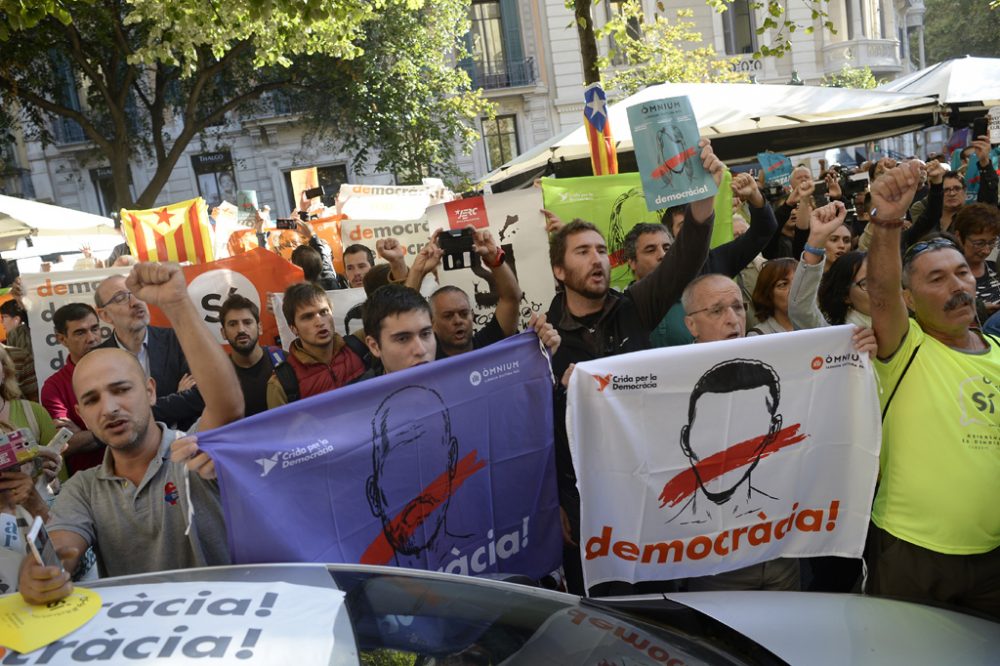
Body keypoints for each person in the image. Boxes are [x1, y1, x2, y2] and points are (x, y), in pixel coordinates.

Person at [548, 137, 721, 595]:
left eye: (602, 250)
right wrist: (556, 502)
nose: (597, 259)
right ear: (559, 272)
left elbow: (683, 261)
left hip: (654, 483)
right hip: (586, 499)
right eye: (582, 251)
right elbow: (540, 430)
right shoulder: (542, 341)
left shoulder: (635, 307)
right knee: (607, 607)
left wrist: (703, 206)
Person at [18, 262, 244, 604]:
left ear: (150, 391)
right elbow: (63, 546)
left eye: (121, 389)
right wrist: (42, 570)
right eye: (92, 400)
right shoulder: (83, 489)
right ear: (81, 415)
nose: (108, 407)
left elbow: (226, 405)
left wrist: (178, 303)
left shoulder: (193, 451)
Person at [866, 161, 1000, 620]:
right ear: (909, 298)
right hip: (912, 552)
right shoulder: (906, 348)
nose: (958, 286)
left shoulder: (999, 350)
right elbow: (881, 290)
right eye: (937, 279)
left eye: (962, 273)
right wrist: (886, 222)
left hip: (991, 556)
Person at [94, 274, 203, 429]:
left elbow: (199, 398)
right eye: (120, 298)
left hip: (185, 441)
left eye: (138, 293)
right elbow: (107, 417)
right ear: (105, 315)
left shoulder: (176, 339)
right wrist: (176, 399)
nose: (135, 302)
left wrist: (134, 411)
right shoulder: (98, 359)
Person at [419, 228, 522, 359]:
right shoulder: (424, 359)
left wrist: (494, 258)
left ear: (472, 315)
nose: (458, 321)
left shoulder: (487, 344)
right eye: (448, 316)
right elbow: (401, 319)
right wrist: (419, 270)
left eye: (463, 313)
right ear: (432, 323)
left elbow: (511, 299)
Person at [266, 282, 368, 407]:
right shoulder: (281, 385)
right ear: (293, 328)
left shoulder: (361, 343)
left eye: (324, 312)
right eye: (307, 317)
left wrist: (397, 267)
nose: (320, 322)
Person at [40, 303, 104, 472]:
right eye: (80, 332)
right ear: (61, 339)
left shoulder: (125, 365)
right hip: (91, 481)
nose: (91, 338)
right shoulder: (53, 387)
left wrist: (86, 433)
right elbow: (66, 444)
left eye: (95, 329)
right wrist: (120, 428)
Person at [789, 202, 871, 330]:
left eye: (846, 240)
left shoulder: (904, 322)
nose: (842, 246)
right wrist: (816, 239)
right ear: (846, 296)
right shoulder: (837, 333)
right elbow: (801, 310)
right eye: (866, 283)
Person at [220, 294, 283, 418]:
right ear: (223, 333)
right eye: (233, 324)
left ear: (259, 327)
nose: (241, 330)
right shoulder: (218, 376)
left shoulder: (284, 361)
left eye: (247, 322)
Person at [951, 203, 1000, 317]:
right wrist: (979, 309)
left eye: (992, 242)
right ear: (958, 237)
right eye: (979, 243)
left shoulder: (994, 268)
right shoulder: (949, 275)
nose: (986, 250)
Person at [748, 258, 797, 335]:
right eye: (783, 284)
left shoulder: (817, 325)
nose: (794, 289)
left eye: (798, 282)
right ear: (767, 294)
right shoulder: (758, 336)